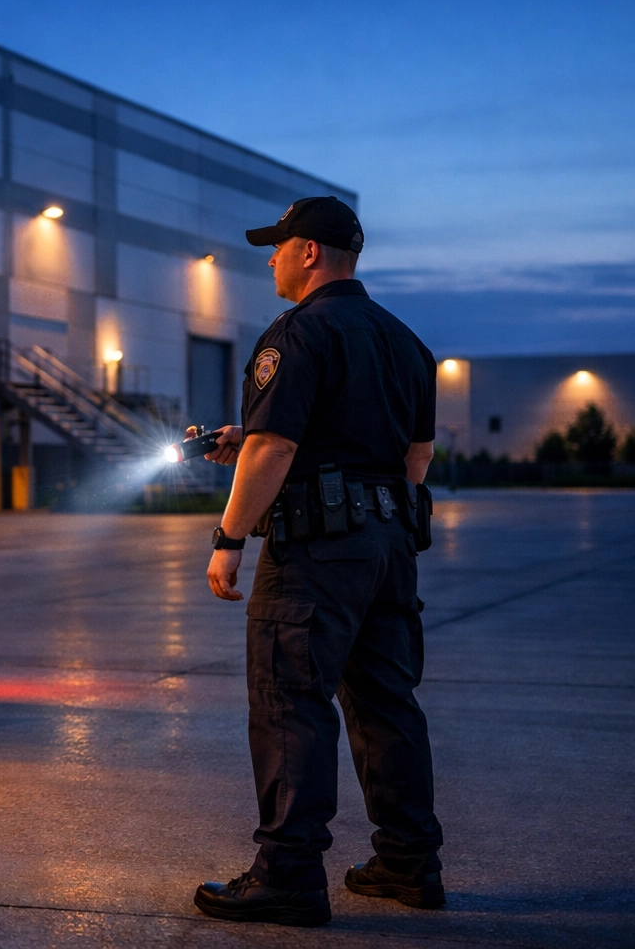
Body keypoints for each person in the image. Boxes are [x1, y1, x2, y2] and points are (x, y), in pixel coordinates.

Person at [190, 197, 444, 927]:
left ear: (310, 253)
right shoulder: (406, 342)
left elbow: (277, 449)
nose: (268, 258)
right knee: (385, 703)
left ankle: (289, 875)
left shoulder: (296, 333)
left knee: (289, 701)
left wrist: (230, 537)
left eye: (278, 246)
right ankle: (408, 862)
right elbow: (414, 456)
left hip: (315, 557)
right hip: (390, 549)